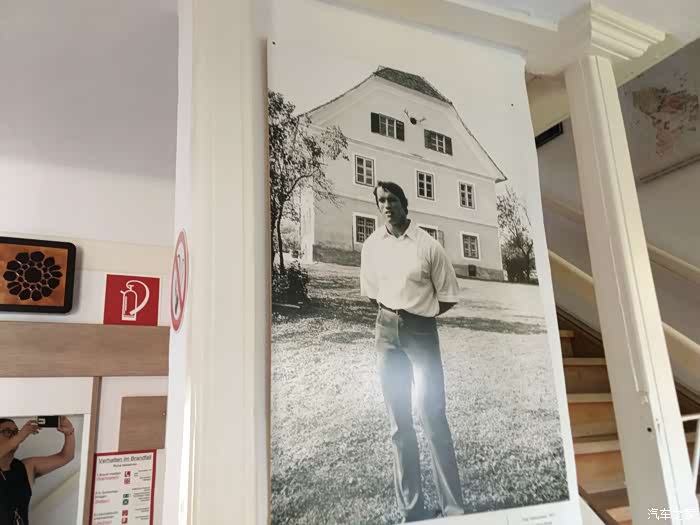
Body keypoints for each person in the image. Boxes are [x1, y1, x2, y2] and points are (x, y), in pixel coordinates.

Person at [360, 181, 464, 522]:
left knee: (432, 417)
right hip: (386, 334)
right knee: (398, 423)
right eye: (381, 200)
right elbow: (373, 293)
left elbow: (447, 296)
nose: (386, 206)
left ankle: (453, 510)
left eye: (392, 200)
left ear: (405, 204)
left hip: (421, 334)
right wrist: (394, 315)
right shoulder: (372, 245)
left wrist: (418, 314)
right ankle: (412, 510)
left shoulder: (428, 245)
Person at [0, 417, 75, 525]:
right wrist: (20, 436)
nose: (14, 435)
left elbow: (66, 456)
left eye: (16, 432)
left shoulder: (26, 467)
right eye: (7, 432)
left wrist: (69, 432)